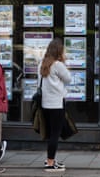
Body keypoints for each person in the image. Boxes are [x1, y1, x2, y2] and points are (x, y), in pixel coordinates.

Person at [38, 38, 72, 172]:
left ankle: (49, 159)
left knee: (51, 132)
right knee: (55, 134)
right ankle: (50, 163)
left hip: (45, 103)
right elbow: (68, 79)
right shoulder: (58, 65)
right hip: (57, 103)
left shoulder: (42, 63)